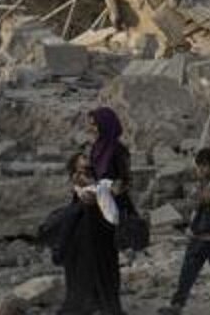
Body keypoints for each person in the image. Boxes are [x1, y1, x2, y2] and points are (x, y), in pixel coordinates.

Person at [59, 107, 132, 315]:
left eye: (94, 123)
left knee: (106, 258)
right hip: (89, 210)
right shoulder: (95, 148)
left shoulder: (118, 151)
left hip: (107, 212)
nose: (90, 127)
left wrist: (109, 188)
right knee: (84, 254)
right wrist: (81, 184)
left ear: (104, 125)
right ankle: (89, 300)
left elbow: (124, 181)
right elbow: (88, 175)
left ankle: (108, 303)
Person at [160, 147, 210, 314]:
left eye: (205, 166)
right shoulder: (197, 186)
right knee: (187, 271)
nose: (201, 169)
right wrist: (200, 198)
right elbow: (190, 207)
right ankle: (177, 304)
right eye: (199, 166)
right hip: (198, 236)